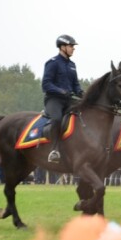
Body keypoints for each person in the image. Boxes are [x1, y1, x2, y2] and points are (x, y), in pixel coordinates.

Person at [42, 34, 84, 163]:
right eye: (71, 46)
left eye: (73, 46)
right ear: (62, 47)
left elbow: (75, 85)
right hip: (54, 99)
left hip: (68, 100)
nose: (73, 49)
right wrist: (60, 91)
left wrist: (82, 93)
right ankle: (54, 150)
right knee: (57, 118)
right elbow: (46, 84)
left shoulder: (72, 65)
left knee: (85, 114)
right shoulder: (52, 63)